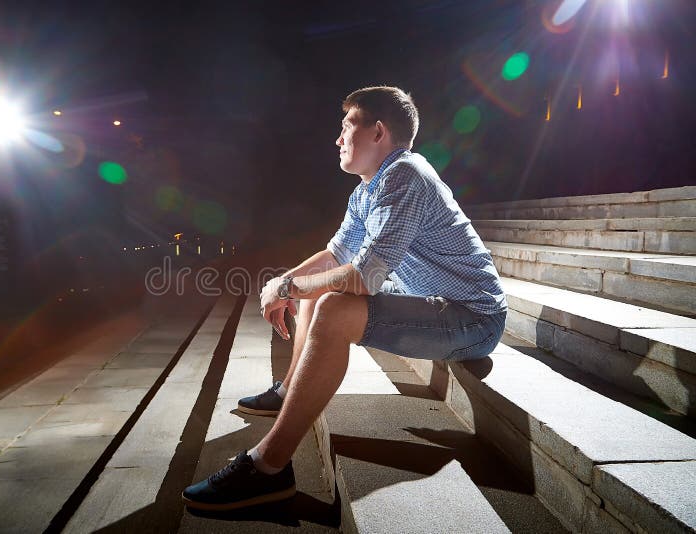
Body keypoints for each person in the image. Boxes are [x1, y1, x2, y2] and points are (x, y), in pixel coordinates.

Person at [182, 86, 507, 511]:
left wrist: (287, 289)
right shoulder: (367, 188)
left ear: (378, 132)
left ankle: (269, 466)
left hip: (472, 317)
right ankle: (288, 392)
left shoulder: (405, 175)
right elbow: (335, 256)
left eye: (346, 126)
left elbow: (365, 275)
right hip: (426, 297)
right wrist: (285, 280)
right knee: (320, 292)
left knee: (333, 305)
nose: (337, 139)